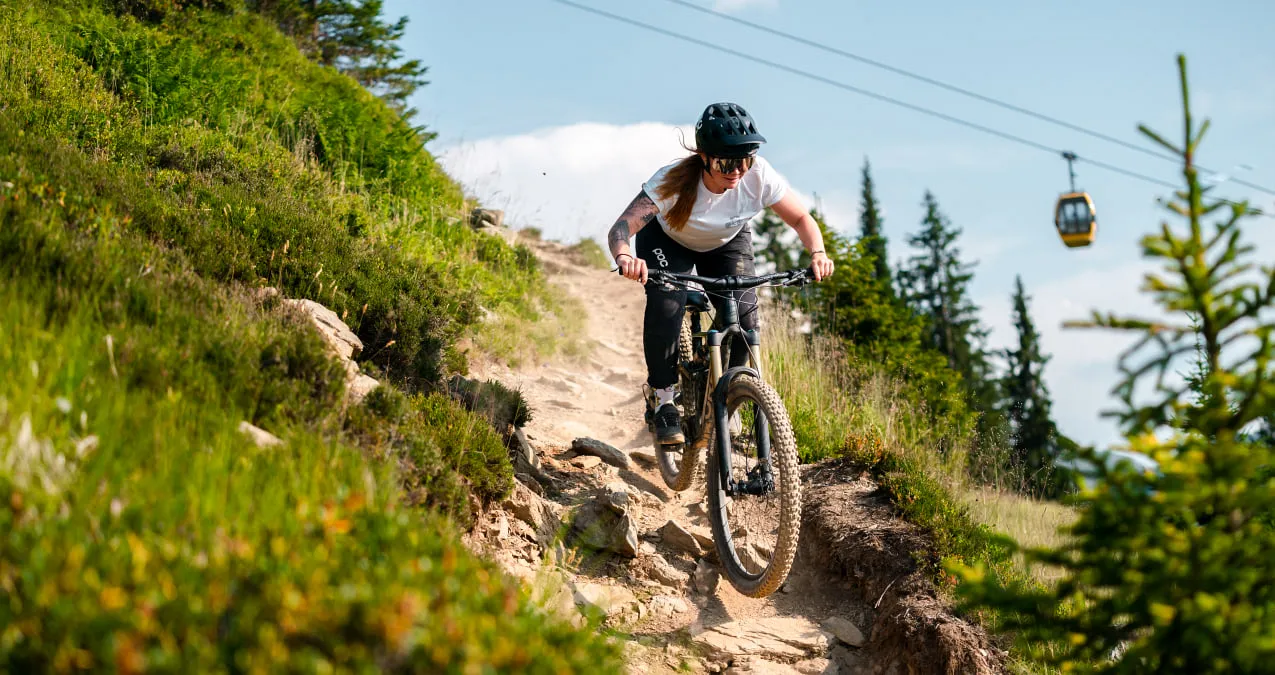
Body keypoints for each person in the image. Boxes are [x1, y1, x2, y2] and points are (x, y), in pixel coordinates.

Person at [605, 102, 835, 444]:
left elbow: (802, 218)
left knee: (745, 320)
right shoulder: (672, 181)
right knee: (667, 305)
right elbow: (622, 227)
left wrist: (818, 253)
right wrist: (625, 256)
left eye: (746, 160)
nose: (738, 171)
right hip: (669, 240)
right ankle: (663, 398)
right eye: (727, 162)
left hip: (727, 241)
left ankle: (729, 396)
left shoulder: (759, 176)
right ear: (704, 157)